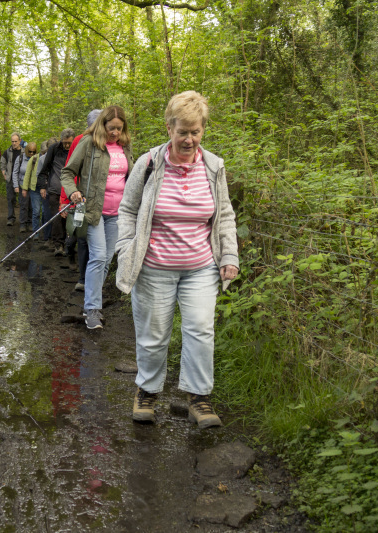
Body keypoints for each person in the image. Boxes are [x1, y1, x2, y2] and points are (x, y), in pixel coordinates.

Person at [115, 91, 239, 427]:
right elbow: (127, 209)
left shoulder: (214, 166)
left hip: (201, 267)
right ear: (169, 127)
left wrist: (229, 255)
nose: (189, 139)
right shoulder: (149, 163)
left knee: (200, 330)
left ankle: (198, 398)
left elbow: (224, 214)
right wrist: (127, 246)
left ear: (203, 130)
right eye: (182, 131)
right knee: (154, 334)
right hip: (154, 266)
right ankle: (148, 392)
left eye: (195, 131)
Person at [61, 106, 133, 330]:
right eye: (111, 128)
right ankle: (92, 309)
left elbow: (132, 177)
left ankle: (93, 304)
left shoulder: (125, 147)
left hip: (118, 213)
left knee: (107, 258)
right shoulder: (89, 143)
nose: (115, 133)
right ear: (102, 125)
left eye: (119, 129)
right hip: (93, 210)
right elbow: (67, 172)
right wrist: (72, 191)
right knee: (99, 255)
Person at [61, 109, 102, 290]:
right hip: (80, 197)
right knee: (82, 236)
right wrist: (66, 197)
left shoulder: (112, 141)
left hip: (103, 201)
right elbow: (69, 169)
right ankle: (83, 278)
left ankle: (93, 278)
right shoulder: (80, 140)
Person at [37, 129, 75, 255]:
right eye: (65, 143)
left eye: (69, 143)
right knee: (57, 217)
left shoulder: (77, 149)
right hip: (55, 189)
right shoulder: (54, 149)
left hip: (72, 190)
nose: (67, 146)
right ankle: (58, 245)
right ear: (61, 140)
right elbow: (45, 168)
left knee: (69, 218)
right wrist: (43, 186)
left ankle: (68, 244)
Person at [13, 141, 37, 232]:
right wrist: (16, 186)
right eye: (30, 151)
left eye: (33, 152)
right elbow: (15, 172)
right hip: (23, 185)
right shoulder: (20, 158)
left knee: (32, 205)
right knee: (23, 205)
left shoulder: (36, 159)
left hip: (33, 185)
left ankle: (30, 222)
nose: (31, 153)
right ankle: (22, 224)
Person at [0, 133, 23, 226]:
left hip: (21, 179)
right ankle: (11, 218)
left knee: (22, 200)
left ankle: (23, 219)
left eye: (16, 141)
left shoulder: (24, 152)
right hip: (10, 179)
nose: (14, 143)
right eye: (12, 141)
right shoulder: (7, 152)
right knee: (10, 199)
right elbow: (2, 163)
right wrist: (5, 175)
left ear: (20, 141)